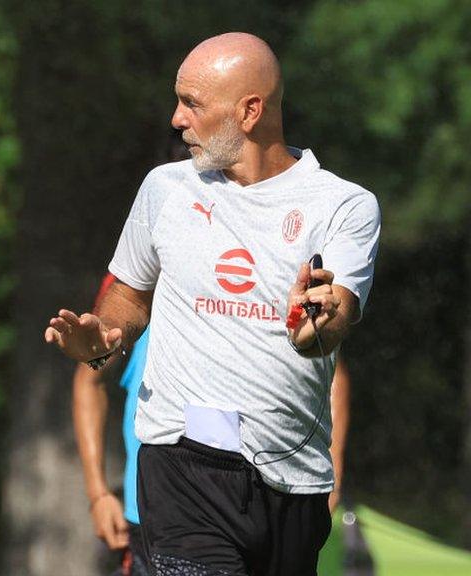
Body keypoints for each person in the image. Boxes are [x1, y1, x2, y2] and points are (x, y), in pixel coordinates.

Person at [48, 32, 379, 575]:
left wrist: (316, 322)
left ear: (250, 111)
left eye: (192, 104)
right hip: (180, 464)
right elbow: (129, 297)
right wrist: (105, 335)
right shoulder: (164, 188)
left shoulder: (345, 204)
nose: (177, 120)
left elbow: (337, 309)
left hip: (291, 480)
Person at [75, 276, 354, 576]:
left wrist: (331, 475)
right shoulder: (147, 276)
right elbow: (89, 378)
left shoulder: (261, 266)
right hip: (157, 510)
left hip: (267, 502)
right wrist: (98, 494)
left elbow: (332, 373)